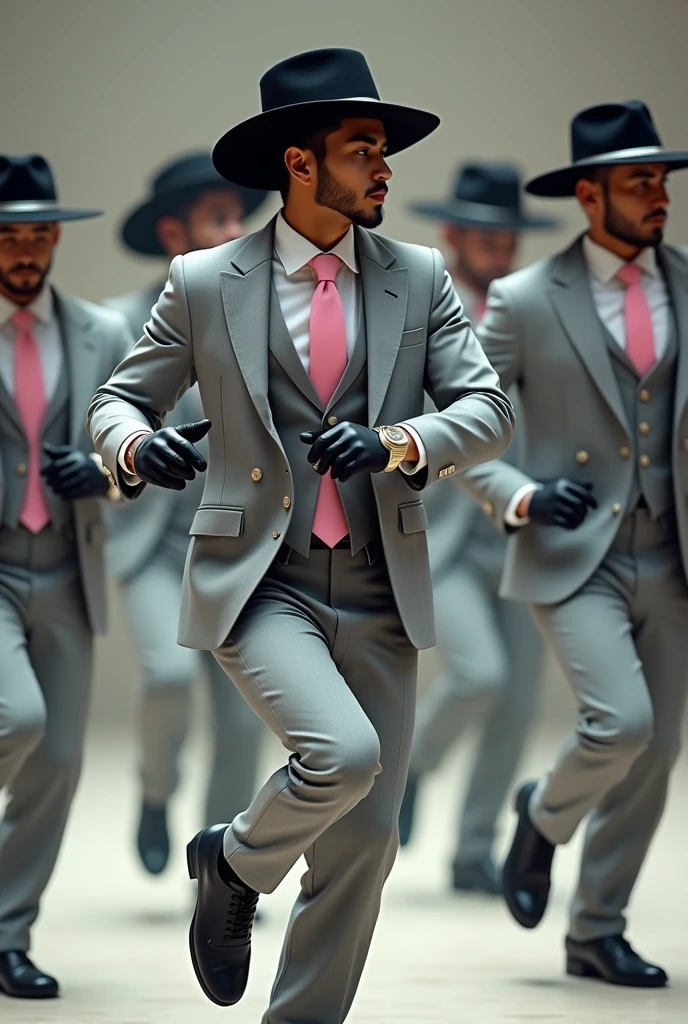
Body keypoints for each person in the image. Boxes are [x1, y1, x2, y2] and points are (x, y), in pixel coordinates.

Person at [88, 48, 514, 1024]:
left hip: (381, 579)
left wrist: (404, 438)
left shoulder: (419, 276)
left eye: (382, 150)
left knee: (366, 842)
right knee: (343, 754)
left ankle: (292, 997)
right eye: (363, 148)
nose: (385, 167)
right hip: (259, 576)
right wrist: (135, 448)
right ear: (299, 162)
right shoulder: (205, 280)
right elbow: (117, 400)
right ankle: (235, 861)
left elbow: (487, 410)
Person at [458, 100, 688, 987]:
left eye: (662, 179)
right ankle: (543, 818)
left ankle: (596, 930)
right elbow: (464, 426)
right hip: (572, 549)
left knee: (658, 749)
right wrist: (516, 495)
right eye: (638, 181)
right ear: (590, 195)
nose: (657, 195)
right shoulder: (523, 300)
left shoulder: (686, 284)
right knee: (619, 725)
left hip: (671, 550)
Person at [104, 153, 269, 874]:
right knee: (168, 680)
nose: (236, 231)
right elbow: (99, 422)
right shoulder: (117, 324)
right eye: (217, 219)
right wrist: (133, 452)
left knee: (243, 722)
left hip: (239, 549)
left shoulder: (266, 318)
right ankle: (154, 789)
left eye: (239, 217)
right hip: (154, 542)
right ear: (175, 231)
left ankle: (219, 867)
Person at [399, 164, 557, 895]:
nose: (499, 249)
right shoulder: (424, 313)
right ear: (452, 234)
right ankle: (412, 769)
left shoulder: (536, 309)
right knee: (478, 673)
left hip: (528, 532)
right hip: (445, 529)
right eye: (484, 234)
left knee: (519, 699)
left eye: (508, 236)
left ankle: (473, 851)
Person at [0, 154, 132, 999]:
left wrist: (107, 472)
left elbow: (135, 439)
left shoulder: (99, 332)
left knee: (60, 757)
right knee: (16, 716)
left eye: (40, 234)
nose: (27, 251)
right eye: (11, 235)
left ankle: (8, 932)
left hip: (69, 569)